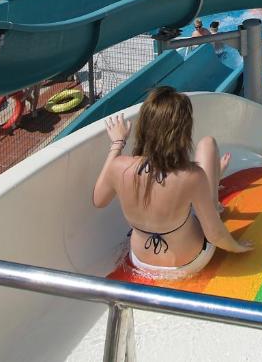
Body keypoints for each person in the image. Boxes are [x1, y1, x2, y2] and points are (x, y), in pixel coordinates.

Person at [92, 87, 252, 278]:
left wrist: (117, 143)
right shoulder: (191, 175)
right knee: (207, 145)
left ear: (143, 126)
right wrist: (237, 248)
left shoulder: (119, 167)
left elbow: (98, 200)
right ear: (182, 132)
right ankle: (213, 189)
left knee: (188, 197)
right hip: (189, 262)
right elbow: (215, 235)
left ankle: (213, 179)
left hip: (140, 261)